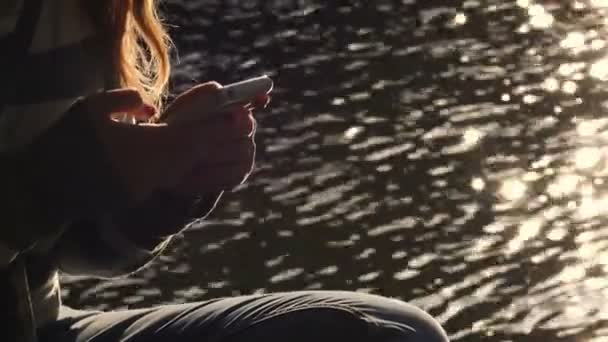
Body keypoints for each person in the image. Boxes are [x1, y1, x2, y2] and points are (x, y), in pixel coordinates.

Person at [0, 1, 450, 341]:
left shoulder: (87, 10)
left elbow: (59, 252)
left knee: (393, 332)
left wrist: (166, 191)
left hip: (39, 324)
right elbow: (44, 194)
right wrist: (44, 187)